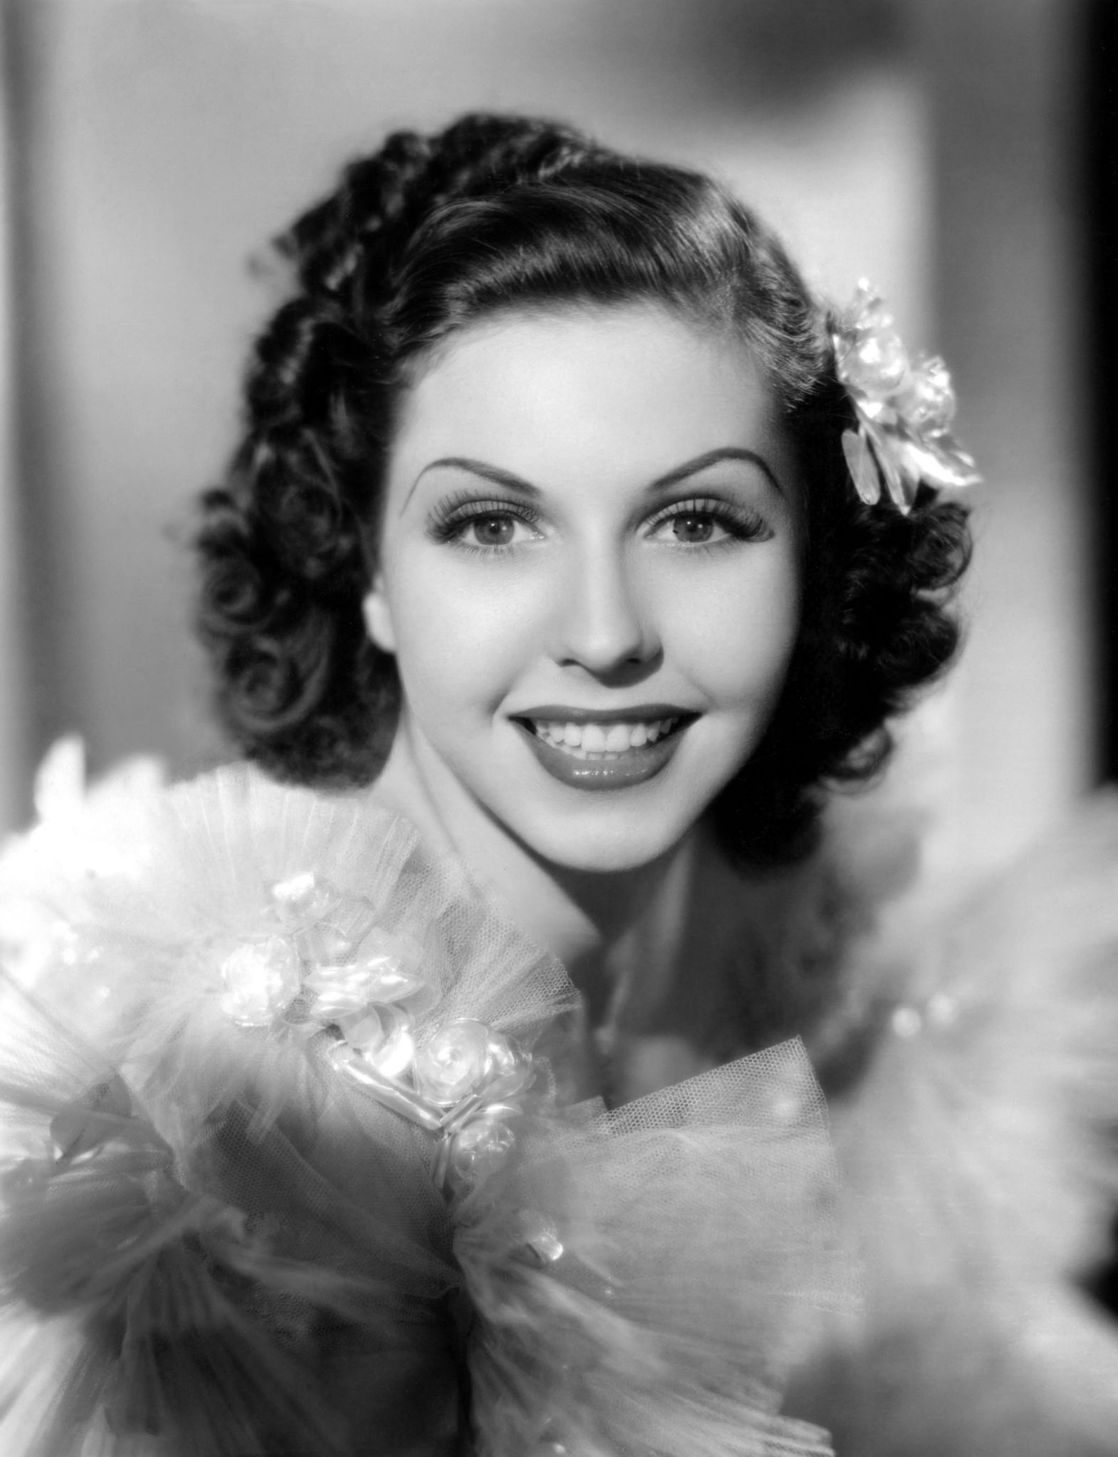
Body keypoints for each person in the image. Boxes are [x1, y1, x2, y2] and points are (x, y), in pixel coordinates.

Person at [1, 111, 1116, 1457]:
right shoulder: (285, 1125)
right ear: (368, 574)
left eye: (694, 520)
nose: (603, 632)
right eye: (491, 524)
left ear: (814, 557)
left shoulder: (790, 916)